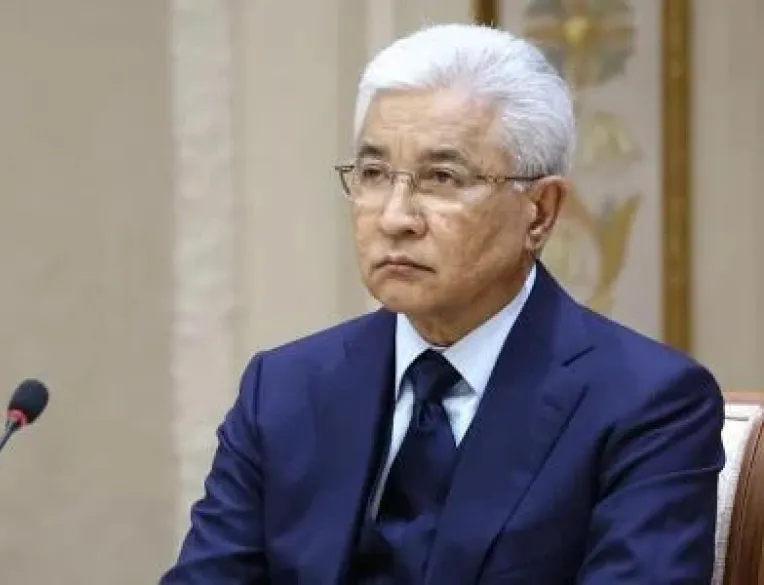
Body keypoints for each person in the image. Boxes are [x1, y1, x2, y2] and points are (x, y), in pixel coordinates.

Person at [160, 23, 724, 584]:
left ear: (540, 211)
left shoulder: (646, 404)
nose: (395, 217)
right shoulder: (284, 389)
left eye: (442, 178)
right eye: (373, 174)